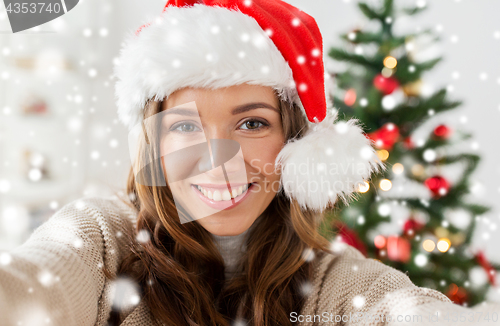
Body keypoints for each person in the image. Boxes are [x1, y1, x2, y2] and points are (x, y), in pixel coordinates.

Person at [1, 1, 499, 325]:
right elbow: (36, 284)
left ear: (294, 143)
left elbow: (404, 312)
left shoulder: (329, 282)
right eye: (185, 126)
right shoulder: (102, 239)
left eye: (252, 124)